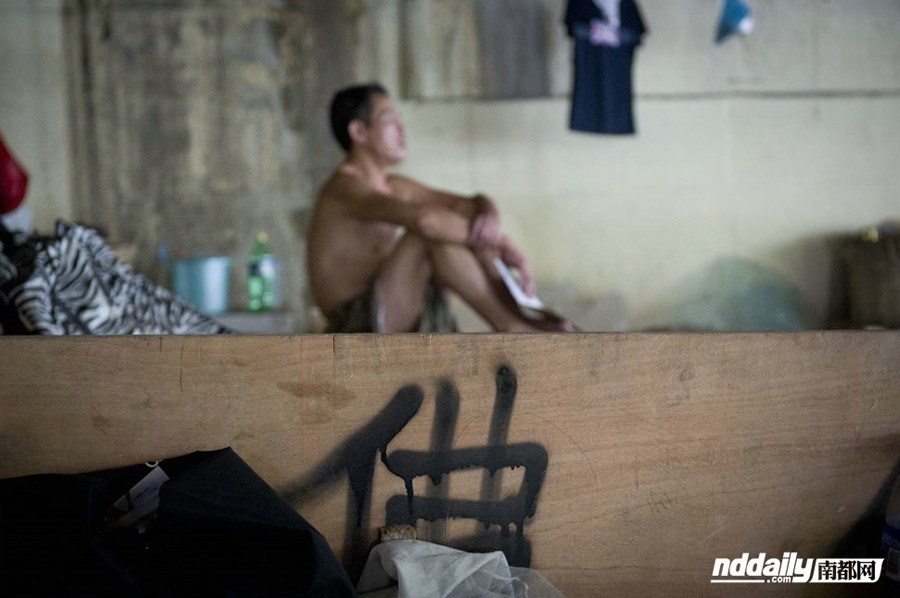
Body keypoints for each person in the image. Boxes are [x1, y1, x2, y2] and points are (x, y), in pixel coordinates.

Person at [307, 83, 572, 333]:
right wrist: (502, 243)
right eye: (390, 120)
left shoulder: (392, 185)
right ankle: (513, 326)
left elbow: (466, 205)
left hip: (391, 306)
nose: (402, 128)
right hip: (354, 322)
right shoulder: (345, 189)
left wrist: (489, 212)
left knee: (462, 228)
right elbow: (426, 222)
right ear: (359, 132)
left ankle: (521, 316)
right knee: (430, 235)